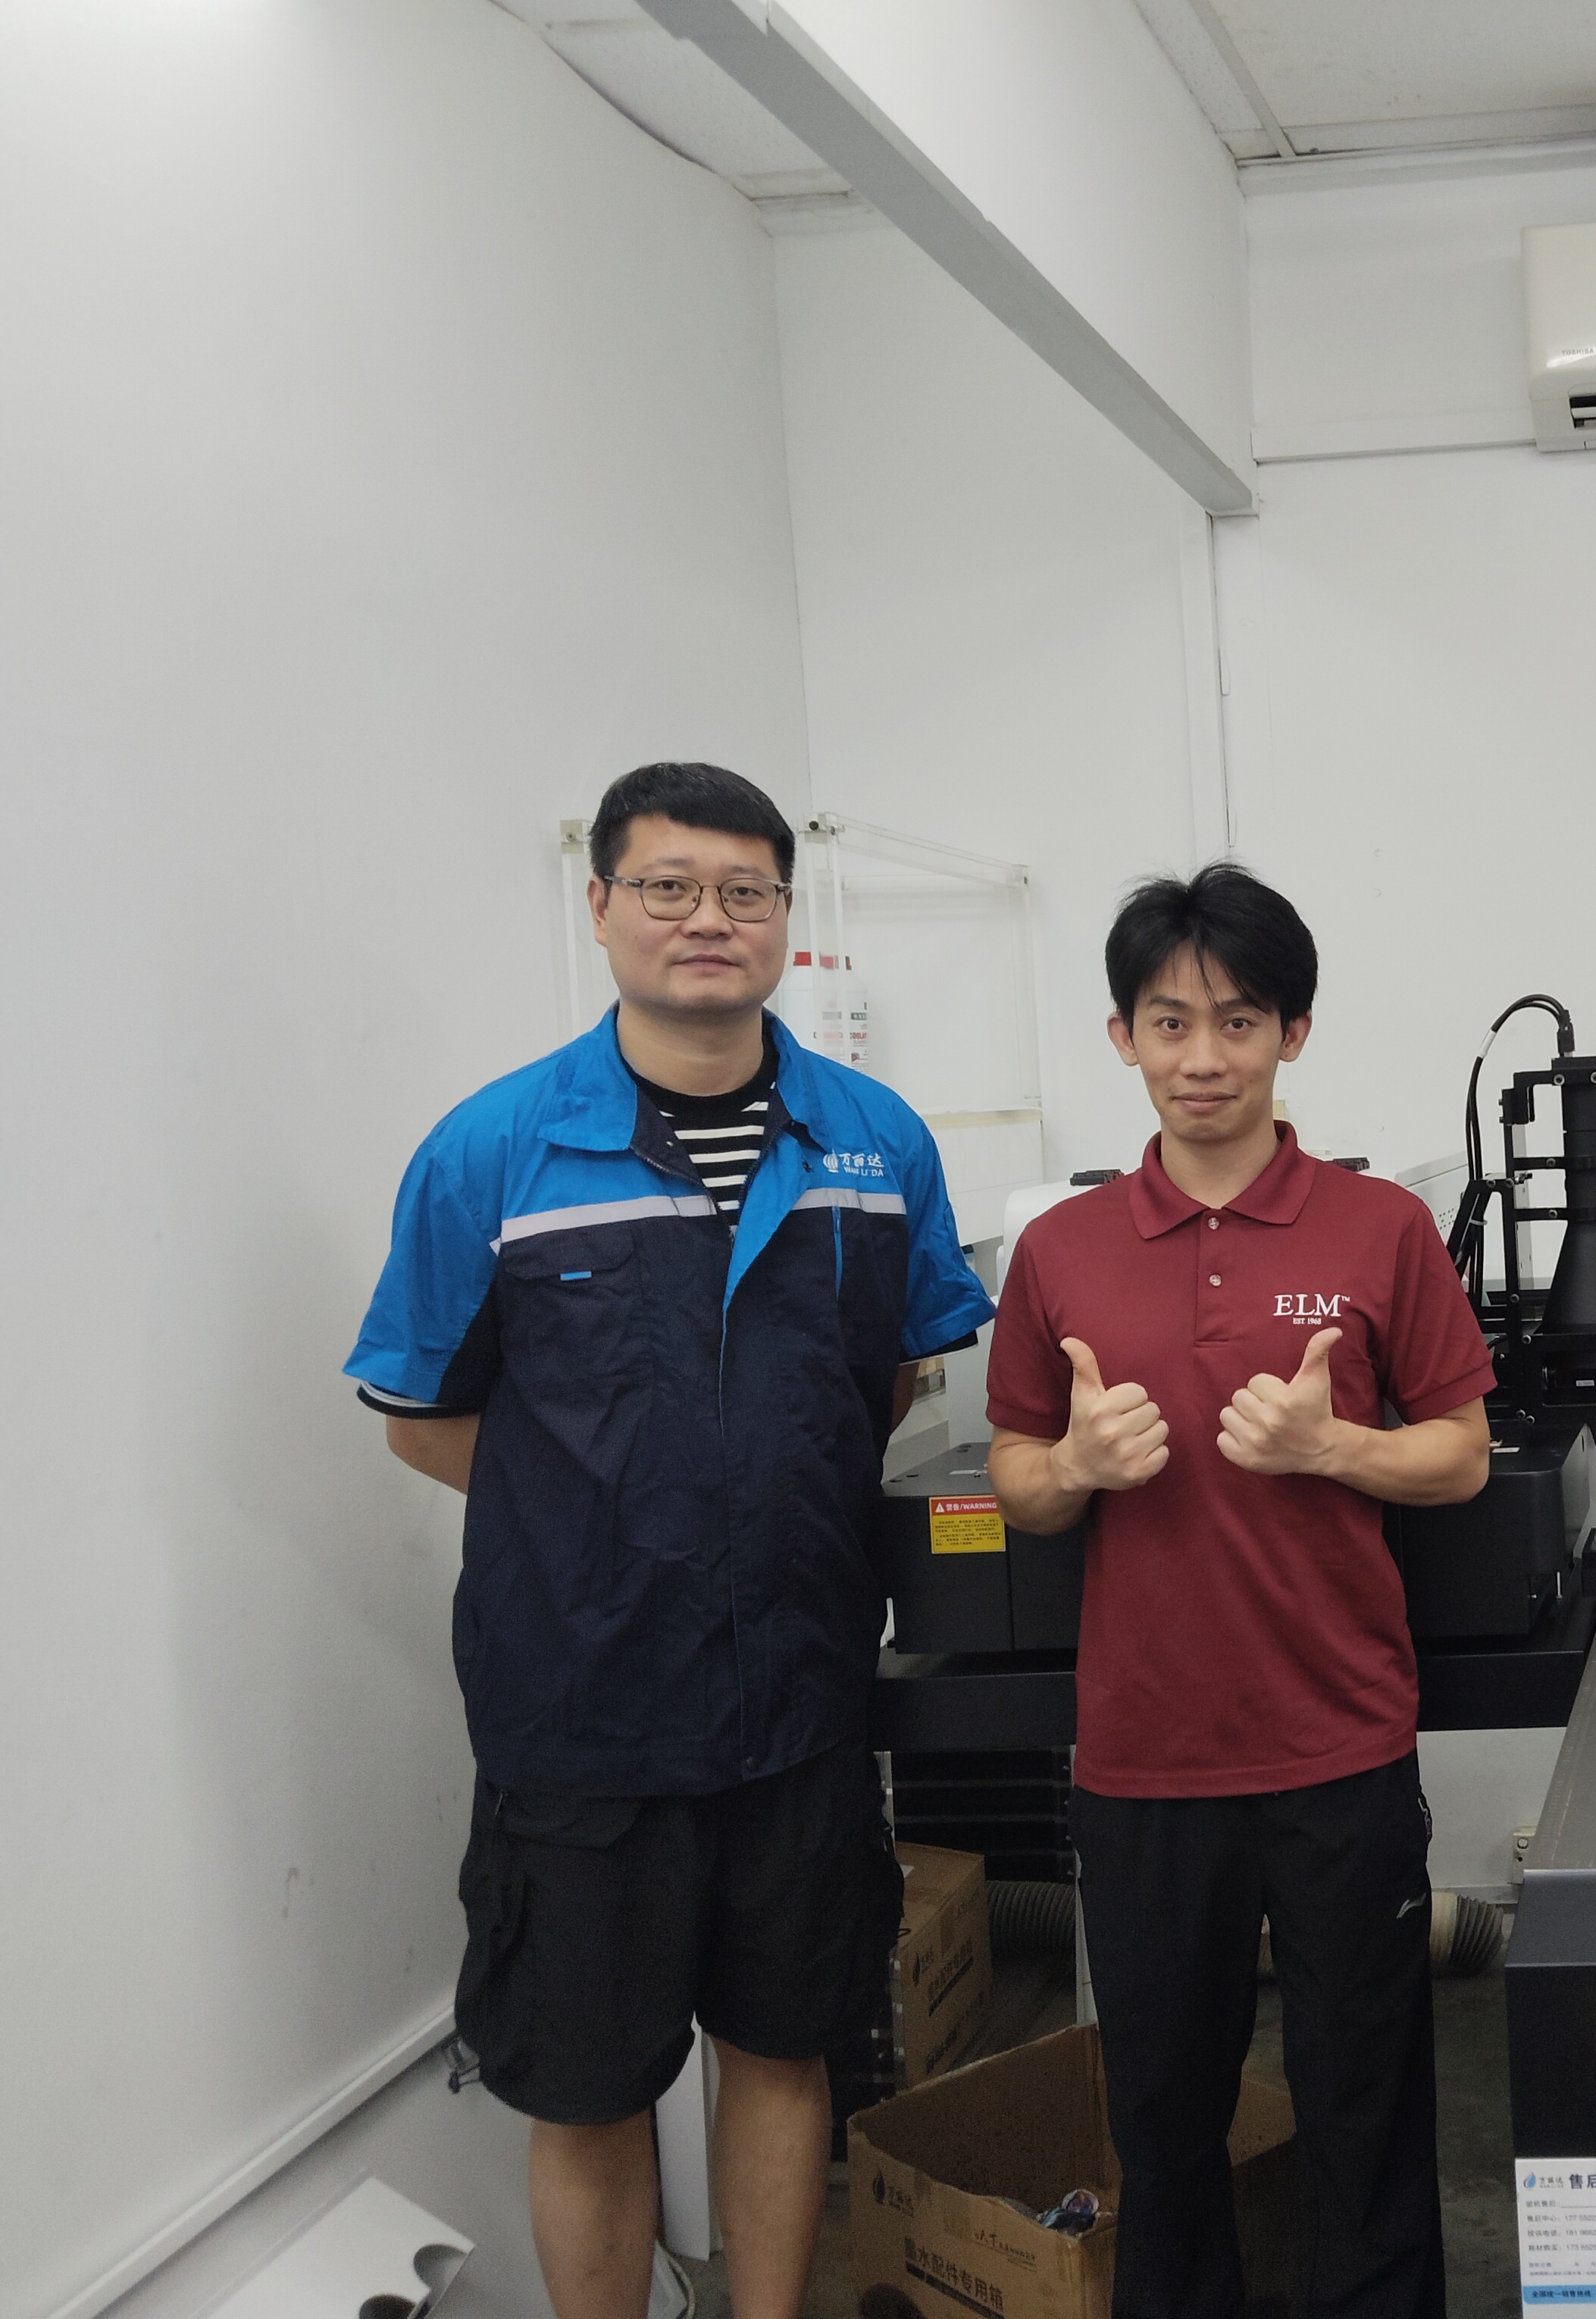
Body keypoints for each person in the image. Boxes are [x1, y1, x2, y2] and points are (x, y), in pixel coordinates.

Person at [346, 762, 995, 2319]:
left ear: (783, 914)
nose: (709, 918)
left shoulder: (874, 1143)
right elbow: (421, 1416)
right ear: (601, 907)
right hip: (583, 1718)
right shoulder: (495, 1151)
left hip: (800, 1701)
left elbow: (891, 1381)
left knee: (785, 2049)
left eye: (744, 890)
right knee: (587, 2089)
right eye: (668, 886)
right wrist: (609, 1524)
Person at [984, 865, 1494, 2319]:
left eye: (1240, 1021)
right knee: (1162, 2120)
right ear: (1122, 1038)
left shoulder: (1380, 1228)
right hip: (1144, 1759)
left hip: (1340, 1744)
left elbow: (1461, 1455)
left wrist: (1336, 1448)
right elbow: (1016, 1476)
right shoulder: (1060, 1251)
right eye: (1170, 1022)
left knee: (1366, 2106)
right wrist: (1075, 1463)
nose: (1203, 1058)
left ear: (1294, 1034)